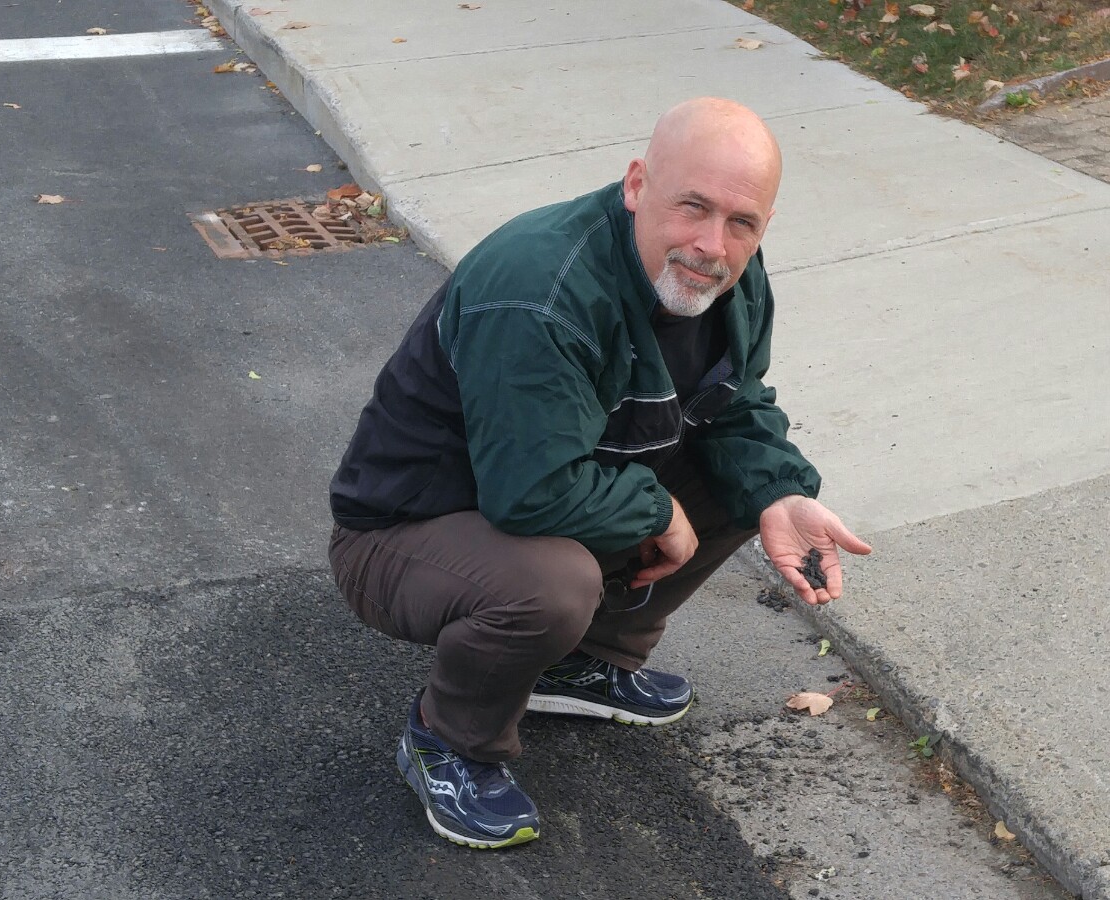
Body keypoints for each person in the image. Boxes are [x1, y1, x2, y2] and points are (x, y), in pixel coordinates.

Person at [327, 97, 871, 850]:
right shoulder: (541, 290)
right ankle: (450, 741)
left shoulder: (728, 271)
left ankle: (584, 664)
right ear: (637, 184)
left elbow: (737, 403)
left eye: (741, 222)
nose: (712, 244)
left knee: (751, 485)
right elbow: (530, 493)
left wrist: (782, 492)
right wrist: (656, 512)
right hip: (406, 530)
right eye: (693, 207)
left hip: (540, 487)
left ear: (763, 226)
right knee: (550, 585)